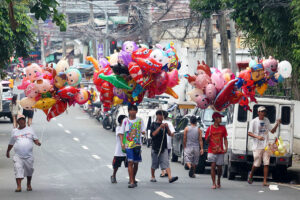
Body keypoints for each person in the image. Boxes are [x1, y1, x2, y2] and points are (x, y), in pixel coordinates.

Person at [6, 114, 41, 192]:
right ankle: (19, 186)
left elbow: (35, 139)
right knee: (17, 169)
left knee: (29, 171)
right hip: (18, 156)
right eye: (20, 120)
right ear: (18, 122)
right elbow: (11, 143)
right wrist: (8, 151)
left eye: (23, 120)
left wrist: (38, 143)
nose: (22, 121)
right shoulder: (15, 131)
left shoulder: (30, 129)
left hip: (29, 156)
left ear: (25, 121)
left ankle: (28, 184)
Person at [247, 106, 281, 186]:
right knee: (256, 164)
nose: (263, 113)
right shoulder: (254, 121)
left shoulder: (266, 120)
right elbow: (249, 133)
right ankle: (251, 174)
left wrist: (277, 124)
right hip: (257, 146)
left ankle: (264, 181)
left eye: (264, 112)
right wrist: (257, 137)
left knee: (266, 163)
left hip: (266, 145)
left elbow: (272, 131)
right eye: (261, 111)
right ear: (258, 112)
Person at [121, 104, 146, 188]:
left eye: (134, 110)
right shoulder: (125, 121)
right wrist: (122, 143)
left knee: (136, 163)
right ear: (128, 111)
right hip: (128, 145)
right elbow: (121, 133)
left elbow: (143, 130)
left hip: (137, 145)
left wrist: (143, 132)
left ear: (136, 111)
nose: (132, 111)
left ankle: (133, 178)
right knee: (130, 162)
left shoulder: (140, 120)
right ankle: (131, 181)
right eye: (131, 110)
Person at [150, 110, 178, 183]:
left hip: (164, 147)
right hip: (155, 147)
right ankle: (152, 176)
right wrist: (160, 127)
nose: (162, 117)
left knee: (166, 162)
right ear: (157, 115)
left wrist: (167, 128)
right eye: (161, 115)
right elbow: (153, 134)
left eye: (163, 116)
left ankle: (170, 177)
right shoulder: (153, 124)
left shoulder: (165, 124)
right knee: (154, 163)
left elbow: (170, 134)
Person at [205, 112, 228, 189]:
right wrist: (208, 137)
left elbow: (225, 139)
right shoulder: (210, 128)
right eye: (219, 118)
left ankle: (218, 180)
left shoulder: (223, 128)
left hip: (220, 150)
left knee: (220, 167)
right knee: (213, 166)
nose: (221, 119)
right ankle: (213, 183)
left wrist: (226, 148)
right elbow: (207, 141)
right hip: (211, 150)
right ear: (215, 118)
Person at [111, 115, 128, 184]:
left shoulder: (128, 128)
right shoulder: (118, 128)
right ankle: (113, 176)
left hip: (128, 150)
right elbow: (121, 135)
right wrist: (122, 144)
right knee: (116, 166)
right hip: (119, 151)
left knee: (129, 165)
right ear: (122, 121)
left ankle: (132, 178)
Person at [160, 112, 175, 178]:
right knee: (167, 158)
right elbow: (173, 133)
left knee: (161, 158)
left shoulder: (159, 123)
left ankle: (163, 172)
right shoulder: (169, 123)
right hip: (168, 143)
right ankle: (166, 172)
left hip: (160, 144)